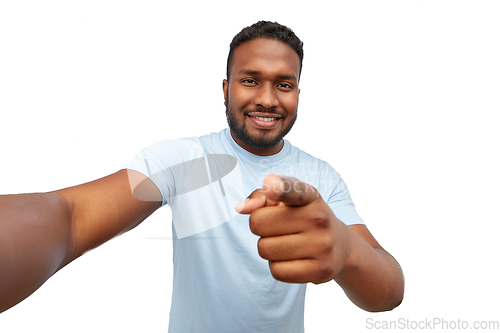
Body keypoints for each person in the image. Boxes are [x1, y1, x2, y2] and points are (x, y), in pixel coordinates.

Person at [0, 21, 404, 332]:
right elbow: (72, 217)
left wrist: (348, 251)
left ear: (298, 93)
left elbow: (390, 291)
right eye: (250, 81)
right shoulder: (186, 160)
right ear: (226, 88)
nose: (266, 99)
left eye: (284, 84)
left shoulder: (320, 176)